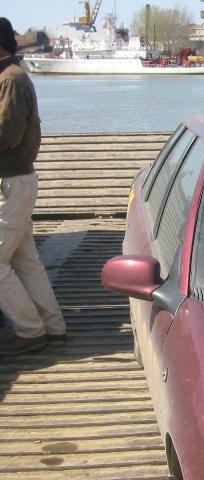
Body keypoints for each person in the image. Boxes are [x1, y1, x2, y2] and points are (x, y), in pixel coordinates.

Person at [0, 18, 65, 355]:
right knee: (26, 261)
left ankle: (29, 330)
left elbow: (6, 136)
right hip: (17, 181)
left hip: (8, 182)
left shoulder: (9, 79)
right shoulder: (15, 76)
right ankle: (52, 326)